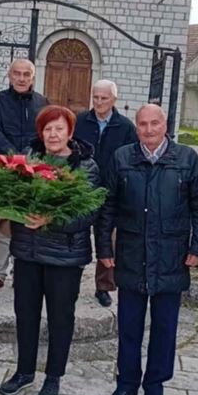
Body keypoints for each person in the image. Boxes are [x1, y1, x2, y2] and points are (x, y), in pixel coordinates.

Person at [97, 104, 198, 395]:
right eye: (143, 124)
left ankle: (156, 386)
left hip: (171, 255)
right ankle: (126, 383)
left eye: (155, 123)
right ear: (136, 127)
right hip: (132, 253)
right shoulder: (121, 158)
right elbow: (106, 207)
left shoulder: (186, 159)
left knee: (165, 327)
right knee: (129, 325)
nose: (149, 129)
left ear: (165, 124)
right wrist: (104, 248)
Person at [0, 105, 101, 395]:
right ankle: (24, 371)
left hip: (64, 257)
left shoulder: (85, 166)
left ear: (70, 132)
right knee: (25, 315)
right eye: (47, 129)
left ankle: (53, 376)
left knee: (60, 318)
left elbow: (87, 212)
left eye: (59, 128)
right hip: (28, 253)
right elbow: (13, 197)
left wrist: (50, 220)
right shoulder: (27, 162)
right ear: (40, 133)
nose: (53, 134)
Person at [0, 59, 48, 295]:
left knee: (28, 221)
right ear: (10, 76)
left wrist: (30, 159)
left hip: (34, 170)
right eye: (17, 74)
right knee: (3, 221)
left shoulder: (43, 103)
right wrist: (14, 158)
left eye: (26, 74)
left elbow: (44, 134)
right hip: (5, 168)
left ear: (33, 77)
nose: (21, 78)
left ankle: (21, 273)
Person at [75, 80, 137, 308]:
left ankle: (104, 286)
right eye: (96, 97)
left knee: (107, 239)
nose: (99, 102)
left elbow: (131, 157)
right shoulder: (80, 121)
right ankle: (72, 277)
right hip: (83, 188)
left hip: (111, 190)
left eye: (104, 98)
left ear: (114, 100)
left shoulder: (126, 127)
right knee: (78, 235)